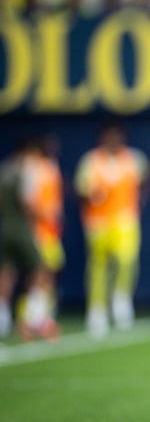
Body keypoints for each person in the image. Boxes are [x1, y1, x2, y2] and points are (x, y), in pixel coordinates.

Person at [74, 123, 150, 338]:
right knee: (98, 266)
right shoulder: (91, 161)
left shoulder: (134, 158)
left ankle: (121, 299)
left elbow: (145, 179)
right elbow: (80, 190)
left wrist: (137, 205)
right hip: (98, 222)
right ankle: (97, 309)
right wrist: (91, 195)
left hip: (124, 220)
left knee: (126, 260)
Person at [0, 138, 60, 341]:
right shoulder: (27, 172)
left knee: (6, 272)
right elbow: (28, 202)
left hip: (4, 227)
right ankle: (32, 317)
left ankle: (3, 318)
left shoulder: (4, 171)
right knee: (41, 269)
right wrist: (42, 217)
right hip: (23, 228)